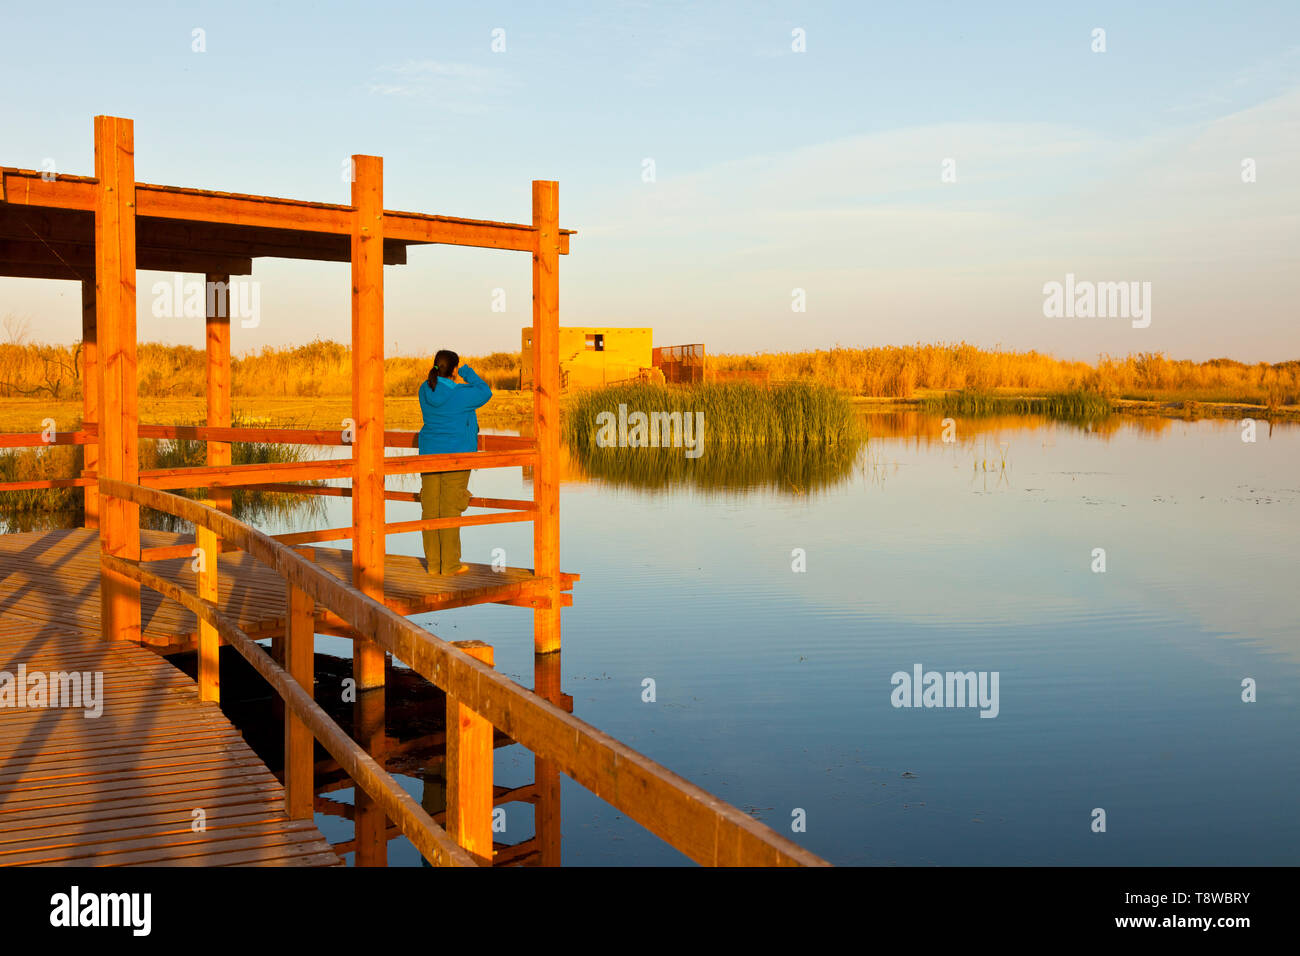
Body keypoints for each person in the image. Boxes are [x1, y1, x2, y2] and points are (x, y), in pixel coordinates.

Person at [417, 349, 491, 574]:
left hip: (429, 454)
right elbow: (485, 392)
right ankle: (449, 565)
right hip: (456, 457)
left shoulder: (424, 389)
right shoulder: (461, 393)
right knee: (450, 507)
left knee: (430, 507)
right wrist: (467, 373)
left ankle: (434, 564)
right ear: (454, 370)